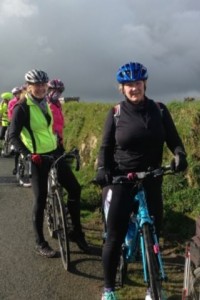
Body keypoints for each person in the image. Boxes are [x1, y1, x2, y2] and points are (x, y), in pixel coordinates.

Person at [95, 62, 188, 300]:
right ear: (122, 88)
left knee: (155, 231)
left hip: (151, 178)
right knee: (114, 236)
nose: (134, 88)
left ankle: (154, 288)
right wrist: (103, 170)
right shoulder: (116, 113)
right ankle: (109, 289)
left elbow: (174, 140)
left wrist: (179, 155)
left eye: (137, 83)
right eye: (129, 85)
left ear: (144, 83)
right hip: (122, 178)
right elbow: (105, 147)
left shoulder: (159, 110)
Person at [9, 69, 89, 258]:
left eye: (43, 85)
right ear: (29, 87)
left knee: (75, 189)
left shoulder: (46, 103)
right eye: (36, 85)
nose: (40, 88)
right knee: (40, 199)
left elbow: (49, 130)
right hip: (38, 158)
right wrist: (28, 154)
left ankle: (76, 232)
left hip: (54, 153)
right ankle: (40, 242)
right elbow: (12, 136)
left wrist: (61, 147)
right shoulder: (22, 107)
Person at [8, 86, 23, 174]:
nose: (19, 94)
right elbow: (10, 113)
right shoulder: (12, 102)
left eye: (19, 92)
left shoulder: (24, 100)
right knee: (17, 149)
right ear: (14, 94)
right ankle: (16, 168)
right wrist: (11, 120)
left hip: (24, 126)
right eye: (17, 93)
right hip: (14, 122)